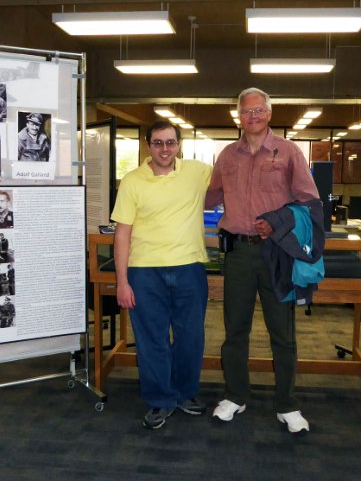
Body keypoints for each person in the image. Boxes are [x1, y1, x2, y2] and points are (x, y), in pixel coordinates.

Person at [205, 87, 321, 434]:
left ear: (269, 114)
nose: (252, 117)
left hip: (276, 255)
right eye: (246, 112)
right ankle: (235, 395)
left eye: (258, 111)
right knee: (234, 330)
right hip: (238, 253)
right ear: (238, 116)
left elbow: (310, 203)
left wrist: (279, 220)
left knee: (282, 334)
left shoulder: (288, 153)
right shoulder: (226, 156)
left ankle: (287, 404)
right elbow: (209, 196)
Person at [111, 120, 211, 430]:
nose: (164, 149)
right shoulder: (132, 181)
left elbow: (238, 178)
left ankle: (185, 393)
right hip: (144, 272)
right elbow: (122, 234)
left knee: (190, 337)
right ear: (148, 145)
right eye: (158, 143)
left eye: (170, 142)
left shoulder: (198, 172)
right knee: (151, 340)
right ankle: (160, 399)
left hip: (189, 268)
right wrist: (122, 281)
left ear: (179, 144)